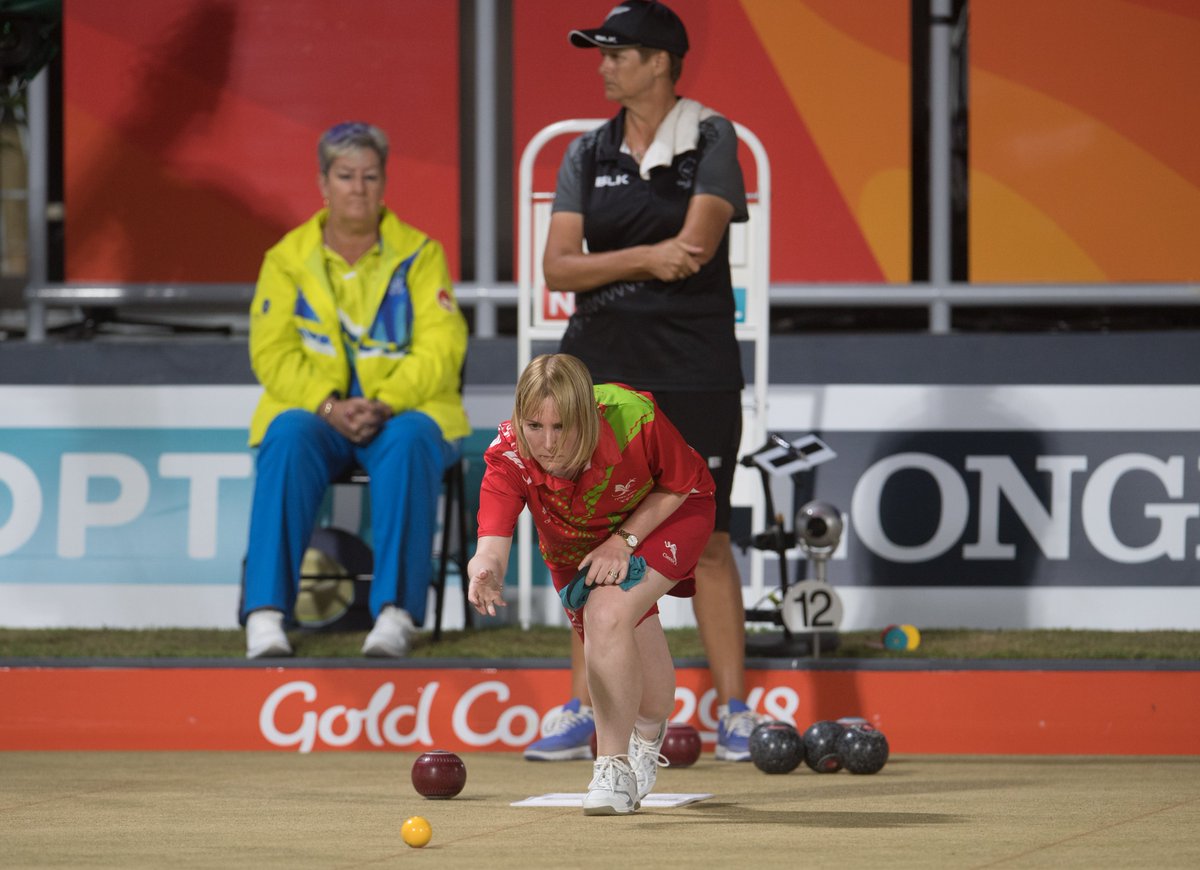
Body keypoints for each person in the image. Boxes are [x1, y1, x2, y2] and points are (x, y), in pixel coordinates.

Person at [527, 0, 761, 762]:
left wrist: (640, 257)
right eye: (600, 53)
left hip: (694, 363)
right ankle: (583, 707)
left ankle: (734, 709)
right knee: (589, 538)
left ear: (659, 61)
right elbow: (557, 265)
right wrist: (641, 258)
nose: (602, 64)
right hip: (602, 367)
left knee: (713, 537)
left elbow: (694, 246)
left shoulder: (712, 137)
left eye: (616, 52)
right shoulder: (584, 152)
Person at [240, 121, 469, 659]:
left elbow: (443, 347)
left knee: (413, 439)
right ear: (323, 182)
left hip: (399, 413)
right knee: (286, 435)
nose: (358, 188)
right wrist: (329, 406)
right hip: (318, 415)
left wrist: (385, 401)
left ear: (384, 182)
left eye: (370, 176)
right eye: (346, 176)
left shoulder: (421, 253)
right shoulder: (286, 258)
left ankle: (394, 615)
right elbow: (271, 352)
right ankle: (266, 615)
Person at [468, 353, 716, 815]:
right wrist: (485, 569)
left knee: (607, 612)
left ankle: (612, 765)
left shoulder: (633, 415)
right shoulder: (508, 453)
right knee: (648, 688)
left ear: (587, 415)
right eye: (534, 426)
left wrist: (624, 540)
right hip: (575, 541)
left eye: (560, 427)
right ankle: (646, 735)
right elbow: (492, 542)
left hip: (667, 511)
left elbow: (679, 484)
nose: (546, 443)